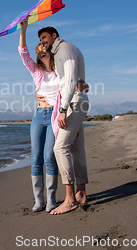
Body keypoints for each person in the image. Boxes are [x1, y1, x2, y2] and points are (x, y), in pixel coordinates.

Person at [18, 18, 88, 213]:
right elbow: (23, 54)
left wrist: (84, 86)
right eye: (38, 51)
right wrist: (23, 30)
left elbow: (73, 81)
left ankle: (51, 199)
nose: (41, 52)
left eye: (44, 48)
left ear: (49, 51)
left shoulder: (59, 71)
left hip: (55, 116)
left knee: (50, 155)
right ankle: (38, 200)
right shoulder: (36, 73)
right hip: (39, 116)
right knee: (35, 157)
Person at [38, 26, 90, 215]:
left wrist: (62, 109)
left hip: (73, 104)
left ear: (54, 36)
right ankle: (81, 193)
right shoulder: (70, 49)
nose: (43, 42)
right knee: (77, 148)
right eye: (41, 40)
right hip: (78, 101)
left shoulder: (65, 50)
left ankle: (69, 199)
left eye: (45, 38)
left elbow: (68, 82)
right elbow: (77, 79)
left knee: (60, 147)